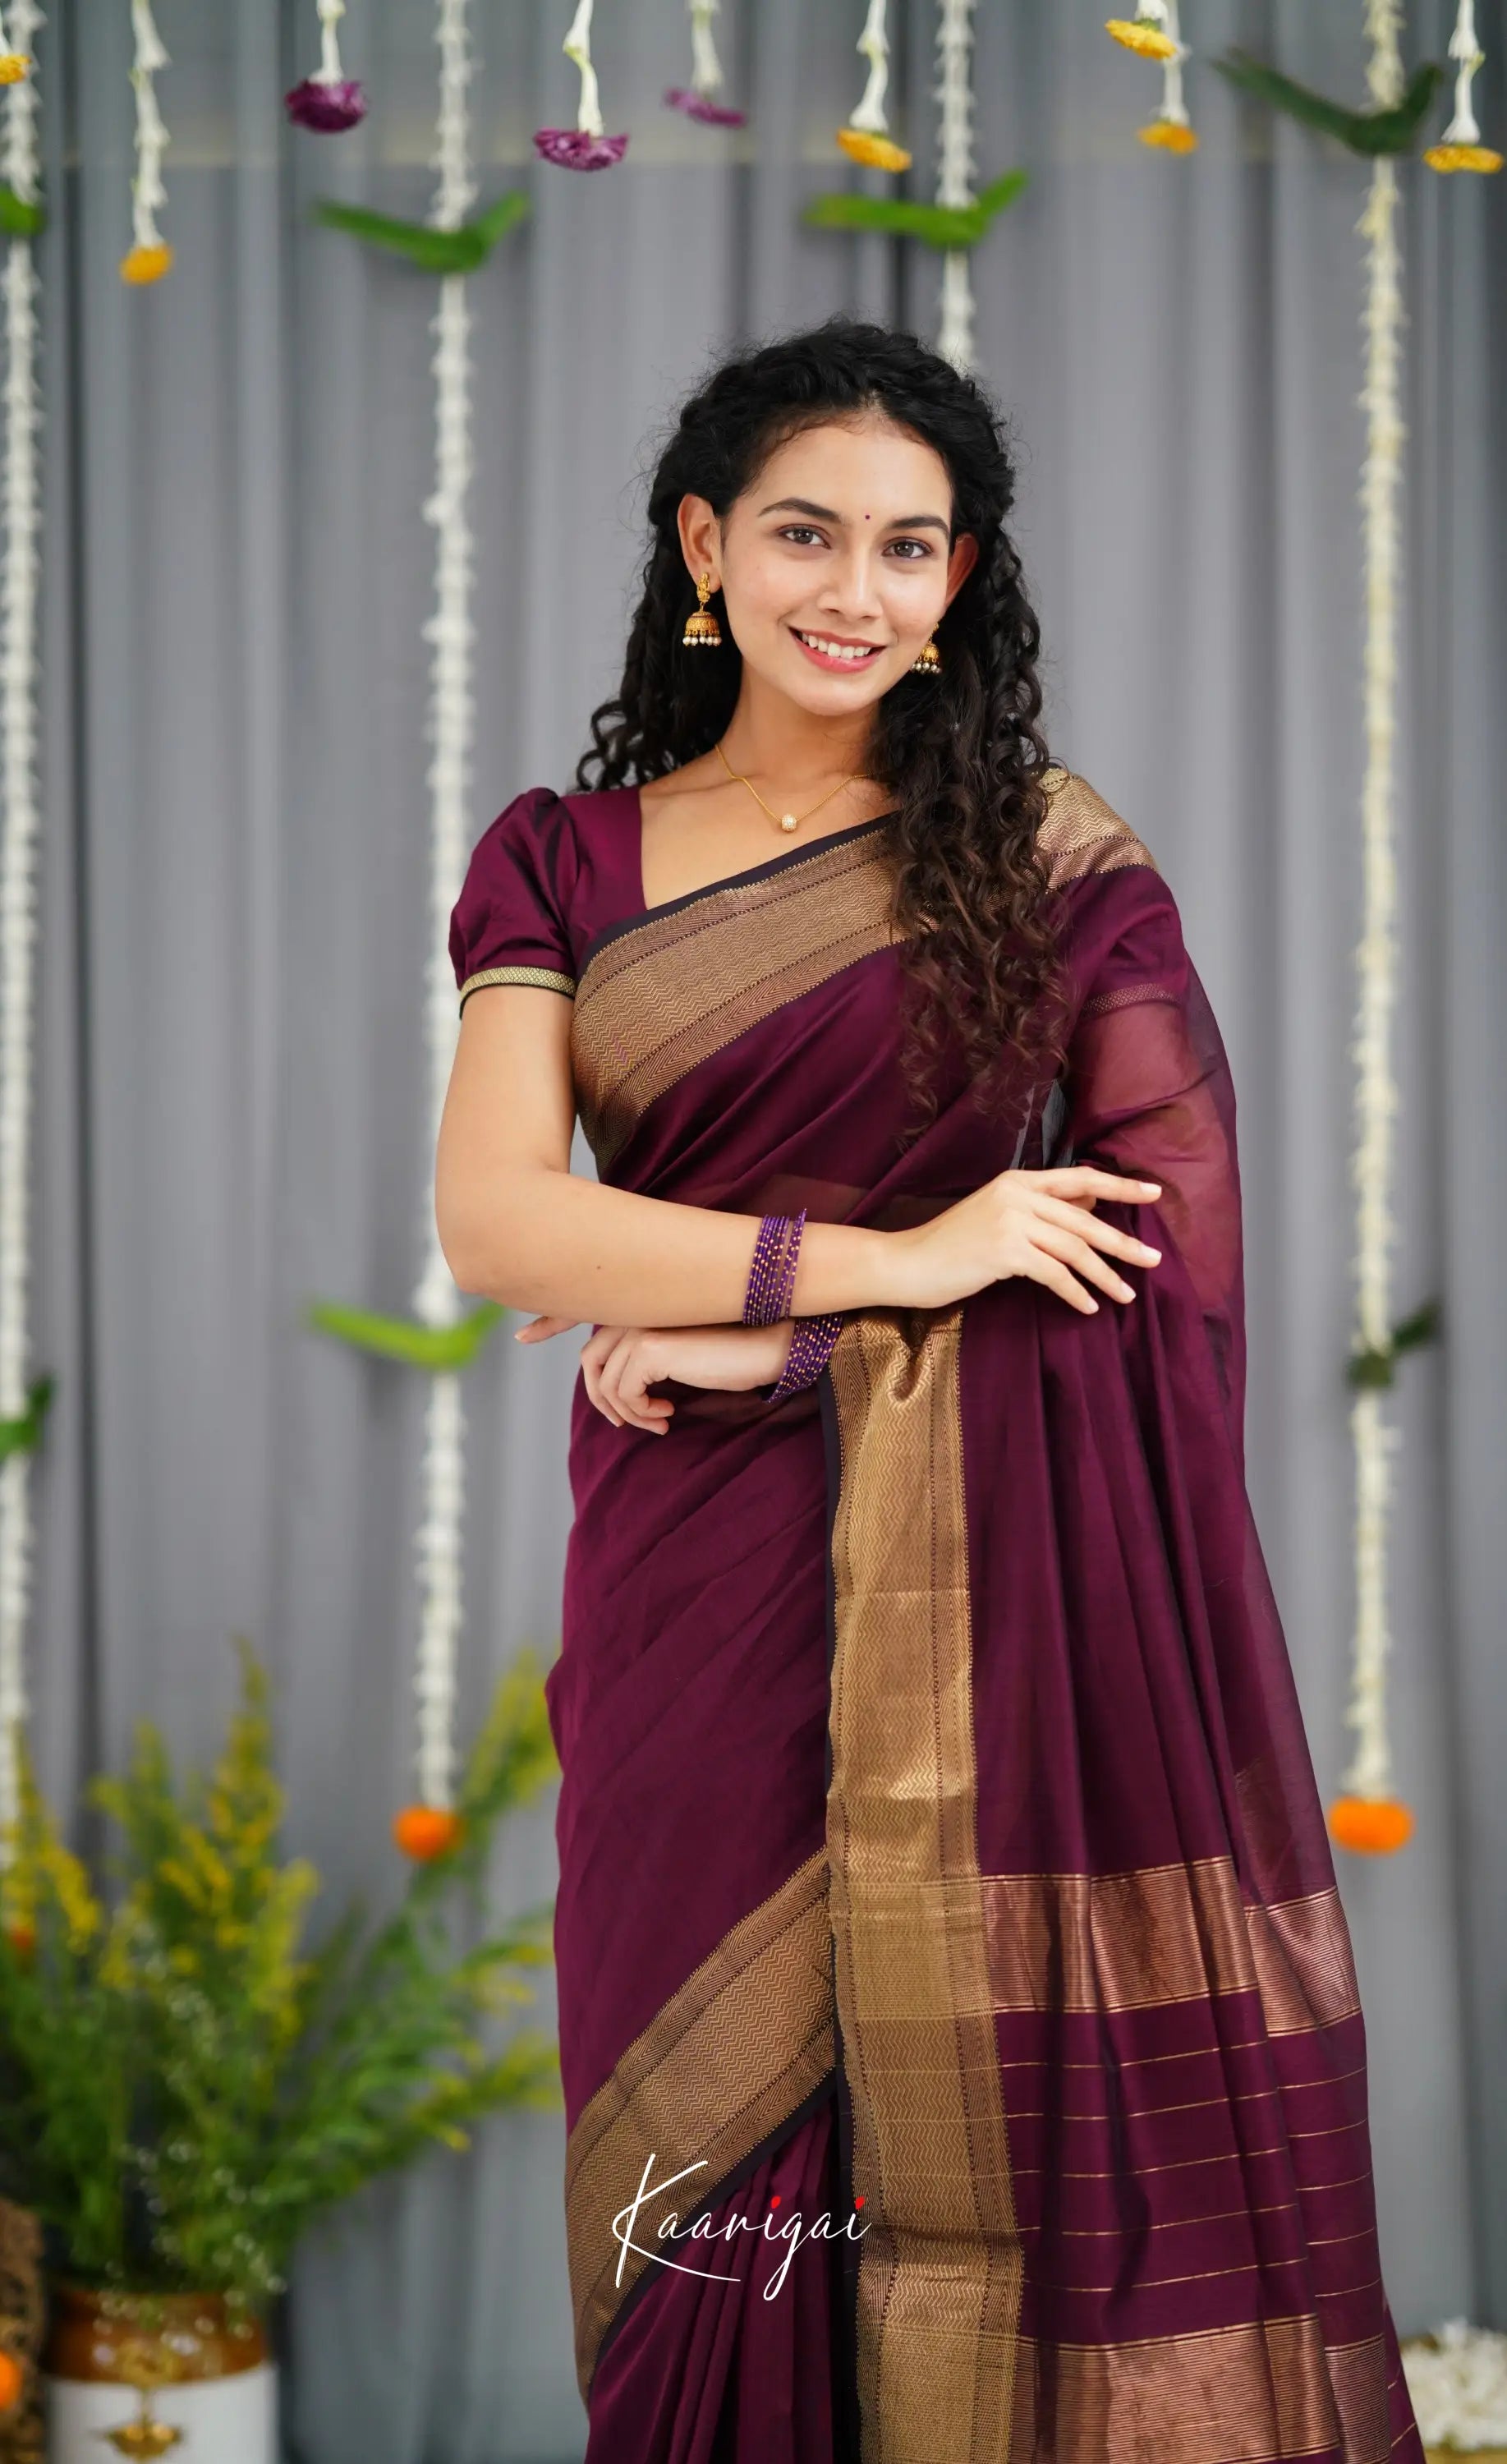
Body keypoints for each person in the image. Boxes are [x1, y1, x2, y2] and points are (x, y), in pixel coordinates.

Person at [435, 319, 1422, 2464]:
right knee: (699, 2151)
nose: (856, 591)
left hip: (995, 1619)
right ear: (705, 545)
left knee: (970, 2168)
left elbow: (1149, 1266)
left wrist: (773, 1333)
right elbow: (501, 1226)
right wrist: (884, 1264)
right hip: (691, 1591)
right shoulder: (563, 860)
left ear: (960, 576)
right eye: (804, 533)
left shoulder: (1052, 865)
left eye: (910, 546)